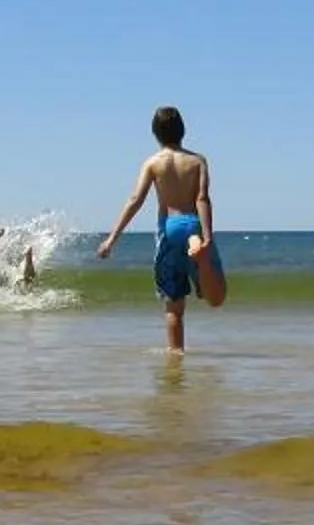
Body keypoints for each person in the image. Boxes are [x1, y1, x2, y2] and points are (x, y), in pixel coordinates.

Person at [93, 105, 225, 349]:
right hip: (193, 225)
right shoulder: (198, 161)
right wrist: (206, 236)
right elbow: (202, 198)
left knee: (174, 308)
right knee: (215, 298)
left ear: (155, 133)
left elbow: (136, 200)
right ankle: (201, 260)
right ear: (183, 130)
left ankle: (176, 358)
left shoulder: (153, 163)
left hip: (169, 228)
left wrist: (111, 239)